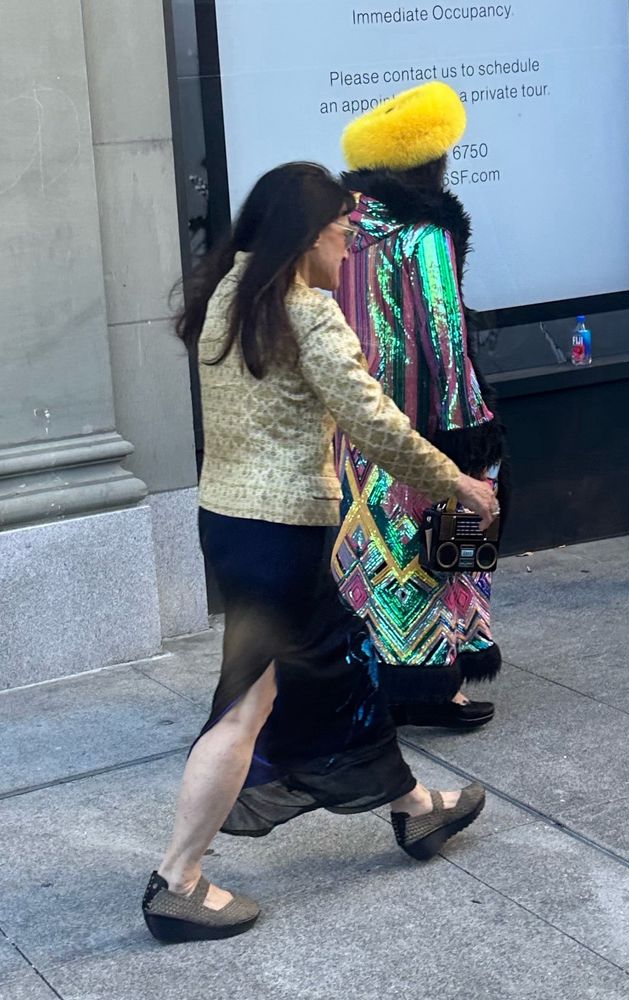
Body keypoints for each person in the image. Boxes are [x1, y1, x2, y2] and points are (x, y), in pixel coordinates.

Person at [141, 162, 499, 944]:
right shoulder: (308, 313)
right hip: (282, 535)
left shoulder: (227, 293)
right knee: (248, 702)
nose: (350, 243)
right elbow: (374, 424)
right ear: (307, 235)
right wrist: (460, 487)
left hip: (229, 522)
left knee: (337, 668)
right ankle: (179, 879)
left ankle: (412, 809)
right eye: (341, 229)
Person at [331, 82, 506, 730]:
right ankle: (441, 683)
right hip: (428, 424)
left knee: (374, 555)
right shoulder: (424, 233)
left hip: (358, 429)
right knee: (451, 545)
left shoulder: (344, 227)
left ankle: (379, 680)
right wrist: (468, 431)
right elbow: (444, 332)